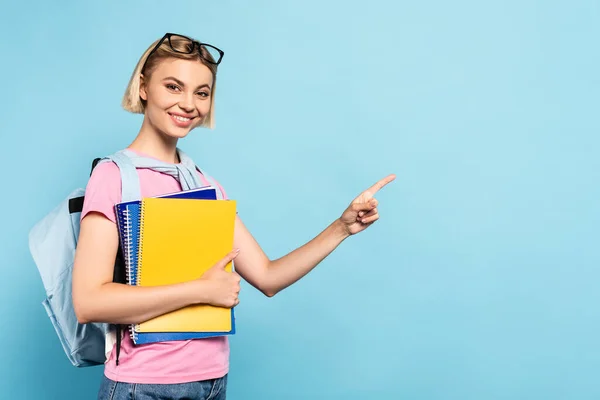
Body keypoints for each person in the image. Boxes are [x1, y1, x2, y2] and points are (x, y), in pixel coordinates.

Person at [72, 32, 395, 400]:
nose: (189, 103)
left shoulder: (206, 185)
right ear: (144, 87)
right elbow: (88, 302)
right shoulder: (114, 176)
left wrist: (342, 227)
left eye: (202, 92)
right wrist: (201, 290)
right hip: (143, 386)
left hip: (211, 382)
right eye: (174, 86)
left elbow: (268, 277)